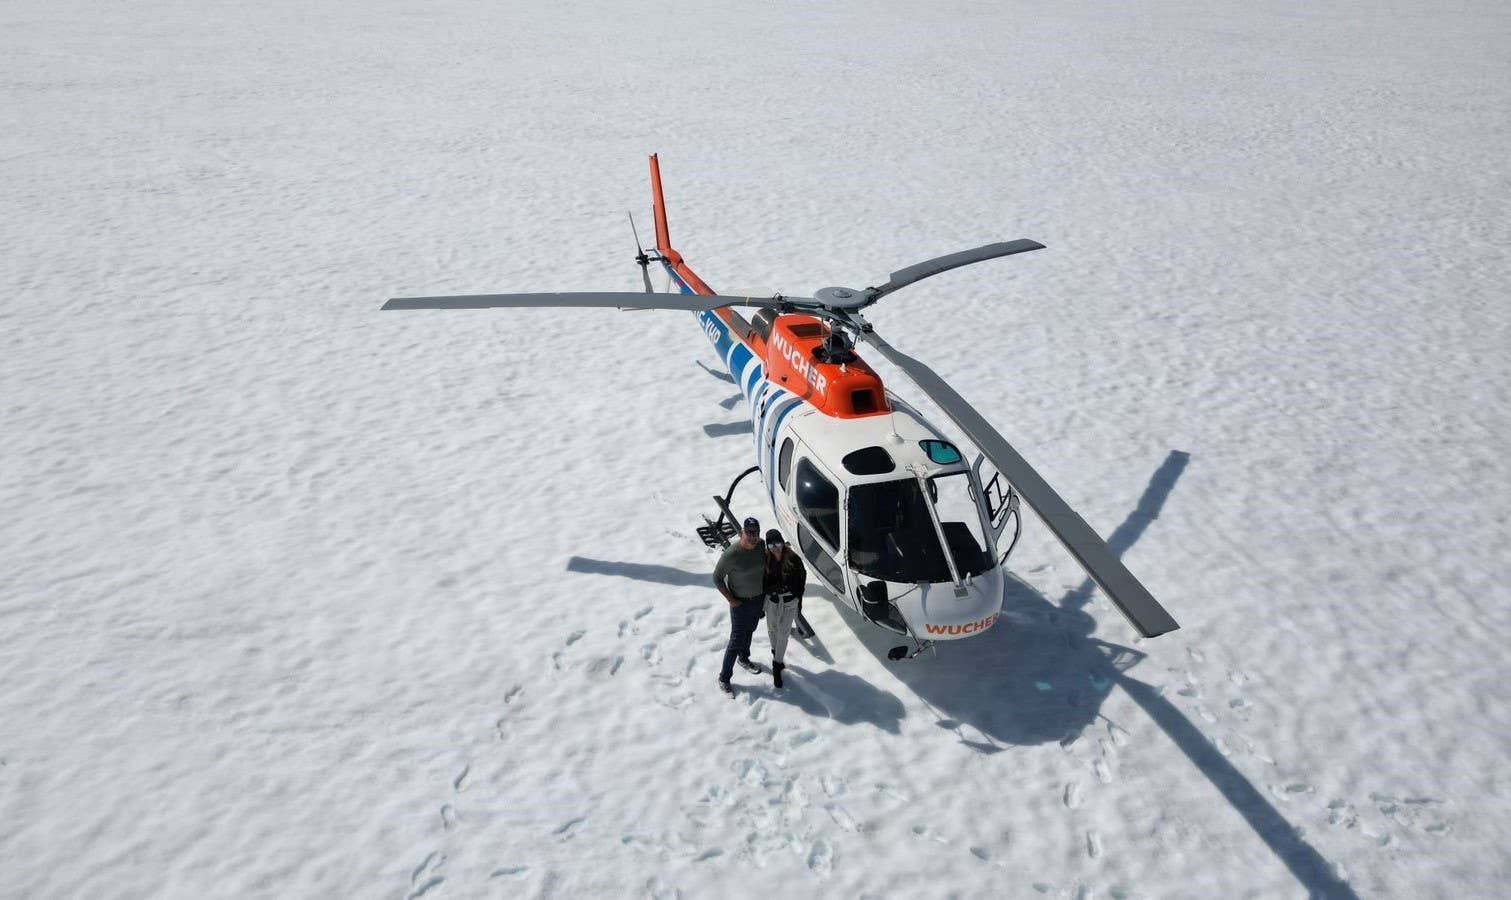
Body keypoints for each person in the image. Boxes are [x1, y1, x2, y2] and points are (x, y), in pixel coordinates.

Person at [712, 516, 767, 695]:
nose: (754, 537)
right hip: (740, 603)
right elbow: (717, 578)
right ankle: (724, 677)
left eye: (756, 533)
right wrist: (731, 600)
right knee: (736, 640)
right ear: (742, 532)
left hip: (758, 599)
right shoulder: (732, 554)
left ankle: (744, 659)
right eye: (750, 533)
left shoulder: (761, 546)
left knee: (750, 630)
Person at [761, 529, 806, 689]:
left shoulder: (793, 559)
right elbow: (762, 582)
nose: (775, 548)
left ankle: (777, 664)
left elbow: (801, 579)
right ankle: (776, 652)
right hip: (773, 601)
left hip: (789, 602)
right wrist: (771, 590)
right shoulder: (765, 560)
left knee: (784, 633)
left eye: (778, 543)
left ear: (782, 542)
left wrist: (795, 596)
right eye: (771, 545)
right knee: (772, 629)